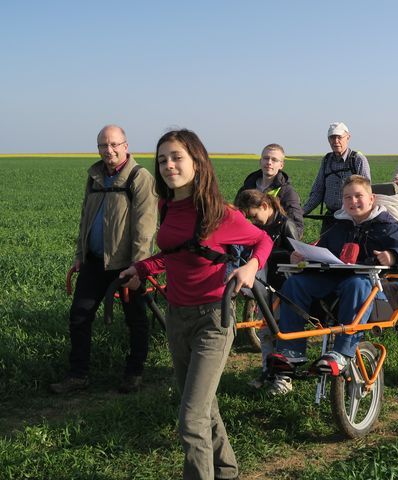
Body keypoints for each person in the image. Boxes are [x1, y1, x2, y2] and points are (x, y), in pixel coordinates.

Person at [120, 130, 272, 480]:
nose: (168, 165)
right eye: (162, 160)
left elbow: (262, 239)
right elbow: (175, 253)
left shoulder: (219, 213)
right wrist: (142, 268)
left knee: (191, 419)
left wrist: (250, 267)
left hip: (212, 319)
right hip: (176, 317)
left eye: (176, 157)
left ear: (197, 162)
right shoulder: (167, 205)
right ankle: (228, 471)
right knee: (204, 407)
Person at [268, 175, 398, 395]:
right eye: (347, 197)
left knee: (357, 283)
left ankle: (342, 352)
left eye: (358, 196)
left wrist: (393, 255)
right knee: (296, 284)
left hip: (378, 289)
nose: (353, 201)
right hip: (336, 281)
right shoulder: (338, 226)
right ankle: (291, 353)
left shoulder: (389, 226)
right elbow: (322, 251)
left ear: (371, 198)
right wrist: (301, 257)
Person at [50, 125, 157, 395]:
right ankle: (78, 374)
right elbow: (85, 218)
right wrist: (79, 256)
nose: (108, 150)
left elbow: (145, 228)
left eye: (113, 144)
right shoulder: (94, 177)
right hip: (94, 262)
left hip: (127, 265)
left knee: (135, 319)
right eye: (102, 145)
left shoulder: (139, 177)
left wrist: (139, 268)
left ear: (125, 145)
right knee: (79, 316)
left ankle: (134, 372)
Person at [235, 189, 299, 388]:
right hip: (264, 285)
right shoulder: (258, 226)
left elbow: (294, 255)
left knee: (279, 330)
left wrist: (267, 255)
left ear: (264, 206)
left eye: (254, 216)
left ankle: (283, 378)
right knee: (264, 332)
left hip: (281, 286)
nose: (253, 221)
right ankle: (267, 371)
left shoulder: (285, 224)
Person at [303, 122, 371, 233]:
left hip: (351, 219)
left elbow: (366, 192)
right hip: (330, 217)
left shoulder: (357, 159)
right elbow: (318, 190)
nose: (335, 141)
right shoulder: (326, 160)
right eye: (332, 138)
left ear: (348, 137)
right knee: (324, 248)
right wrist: (302, 211)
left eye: (339, 137)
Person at [236, 143, 304, 237]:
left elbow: (297, 229)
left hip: (272, 245)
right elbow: (235, 218)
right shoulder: (246, 188)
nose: (269, 162)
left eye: (274, 160)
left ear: (281, 165)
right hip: (245, 241)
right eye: (266, 158)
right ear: (260, 161)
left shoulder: (288, 193)